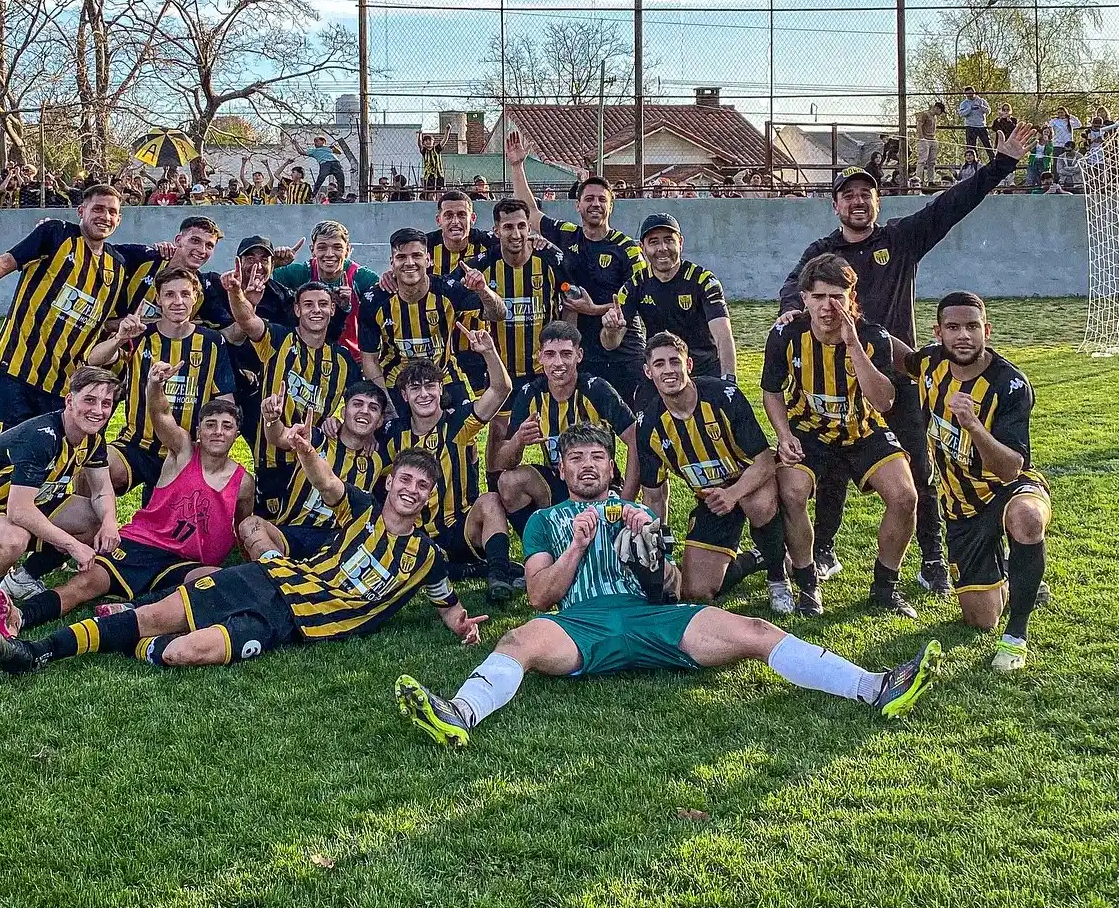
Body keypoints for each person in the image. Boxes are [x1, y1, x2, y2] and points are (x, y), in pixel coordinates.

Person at [393, 424, 943, 749]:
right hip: (580, 624)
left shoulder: (636, 510)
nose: (587, 467)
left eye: (598, 459)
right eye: (576, 459)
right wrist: (578, 546)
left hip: (652, 619)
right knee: (517, 641)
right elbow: (540, 597)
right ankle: (459, 714)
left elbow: (672, 589)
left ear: (611, 467)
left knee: (754, 628)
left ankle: (874, 687)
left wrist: (650, 550)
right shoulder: (545, 520)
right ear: (561, 469)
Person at [777, 122, 1036, 597]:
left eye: (866, 194)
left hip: (897, 376)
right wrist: (790, 310)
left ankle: (932, 559)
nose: (858, 201)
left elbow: (950, 206)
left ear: (876, 204)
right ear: (835, 205)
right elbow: (795, 287)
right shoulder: (822, 252)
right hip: (838, 381)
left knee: (919, 468)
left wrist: (1002, 164)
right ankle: (826, 550)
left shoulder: (901, 240)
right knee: (830, 464)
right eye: (848, 194)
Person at [0, 433, 489, 674]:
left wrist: (464, 625)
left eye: (422, 485)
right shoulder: (359, 510)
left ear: (429, 497)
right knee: (158, 616)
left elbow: (447, 605)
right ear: (390, 483)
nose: (411, 489)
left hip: (291, 624)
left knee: (182, 653)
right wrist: (306, 449)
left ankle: (134, 626)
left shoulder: (427, 558)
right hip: (267, 580)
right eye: (405, 479)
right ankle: (38, 651)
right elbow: (328, 483)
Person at [0, 361, 253, 635]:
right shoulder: (182, 452)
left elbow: (241, 527)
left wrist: (246, 558)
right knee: (83, 585)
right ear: (198, 431)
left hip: (186, 562)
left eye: (226, 426)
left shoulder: (243, 482)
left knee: (213, 581)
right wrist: (155, 384)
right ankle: (20, 616)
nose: (218, 431)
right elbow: (161, 414)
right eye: (211, 424)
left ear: (236, 435)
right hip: (141, 544)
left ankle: (131, 608)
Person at [903, 293, 1051, 672]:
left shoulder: (1010, 385)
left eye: (972, 327)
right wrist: (849, 333)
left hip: (1006, 489)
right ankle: (1018, 575)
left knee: (1028, 519)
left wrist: (973, 426)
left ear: (987, 331)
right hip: (960, 509)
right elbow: (893, 354)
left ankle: (1016, 637)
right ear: (938, 333)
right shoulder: (929, 363)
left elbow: (1011, 469)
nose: (963, 336)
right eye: (953, 328)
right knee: (980, 619)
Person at [764, 254, 917, 617]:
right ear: (804, 298)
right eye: (818, 297)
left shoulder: (873, 336)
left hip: (863, 430)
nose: (827, 306)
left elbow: (883, 401)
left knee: (905, 496)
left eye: (836, 296)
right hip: (809, 430)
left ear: (852, 297)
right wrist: (783, 434)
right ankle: (808, 586)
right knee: (792, 491)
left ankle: (885, 587)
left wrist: (853, 346)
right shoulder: (787, 333)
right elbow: (771, 390)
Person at [0, 366, 120, 633]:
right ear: (69, 401)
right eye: (89, 400)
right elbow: (19, 511)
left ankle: (24, 578)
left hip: (19, 506)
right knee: (13, 538)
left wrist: (109, 521)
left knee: (92, 517)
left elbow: (102, 490)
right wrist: (72, 545)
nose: (98, 410)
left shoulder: (93, 439)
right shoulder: (42, 436)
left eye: (106, 403)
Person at [0, 185, 133, 439]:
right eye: (98, 209)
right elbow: (2, 265)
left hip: (64, 384)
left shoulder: (118, 266)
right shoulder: (55, 234)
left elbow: (107, 322)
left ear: (119, 219)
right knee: (2, 459)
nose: (105, 217)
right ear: (81, 211)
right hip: (15, 371)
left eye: (112, 212)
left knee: (49, 462)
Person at [635, 332, 786, 605]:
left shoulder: (723, 397)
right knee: (695, 592)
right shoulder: (649, 425)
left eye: (674, 362)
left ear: (688, 365)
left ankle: (779, 578)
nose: (668, 370)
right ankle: (757, 557)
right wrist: (659, 548)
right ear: (648, 372)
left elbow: (764, 461)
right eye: (659, 364)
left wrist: (733, 494)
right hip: (714, 500)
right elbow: (655, 495)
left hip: (751, 482)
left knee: (758, 503)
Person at [506, 130, 647, 403]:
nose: (595, 204)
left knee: (634, 429)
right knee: (585, 428)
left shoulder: (627, 248)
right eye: (589, 199)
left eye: (601, 200)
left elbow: (640, 297)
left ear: (610, 207)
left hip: (624, 349)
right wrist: (517, 166)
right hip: (581, 349)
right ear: (578, 206)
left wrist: (593, 309)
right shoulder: (569, 234)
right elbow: (532, 213)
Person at [380, 333, 520, 602]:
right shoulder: (391, 435)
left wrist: (489, 352)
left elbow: (501, 390)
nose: (424, 394)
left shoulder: (458, 424)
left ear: (441, 390)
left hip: (460, 528)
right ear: (404, 395)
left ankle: (499, 576)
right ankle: (469, 570)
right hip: (415, 534)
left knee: (490, 500)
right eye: (415, 388)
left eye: (430, 386)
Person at [85, 266, 235, 498]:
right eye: (169, 294)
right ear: (158, 298)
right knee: (91, 474)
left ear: (195, 298)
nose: (178, 301)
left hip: (185, 451)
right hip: (137, 444)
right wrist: (119, 338)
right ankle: (93, 530)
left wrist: (212, 448)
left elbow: (226, 403)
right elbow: (94, 359)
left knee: (168, 524)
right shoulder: (140, 336)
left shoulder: (212, 342)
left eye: (185, 294)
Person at [222, 272, 358, 513]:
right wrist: (236, 292)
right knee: (265, 523)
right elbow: (248, 320)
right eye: (308, 304)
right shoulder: (278, 339)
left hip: (314, 459)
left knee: (304, 522)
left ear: (333, 310)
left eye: (323, 304)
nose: (316, 310)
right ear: (297, 310)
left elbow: (360, 400)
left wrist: (338, 418)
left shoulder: (343, 360)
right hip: (273, 458)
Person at [493, 320, 640, 531]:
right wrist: (518, 441)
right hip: (560, 482)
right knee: (509, 481)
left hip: (599, 485)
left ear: (579, 355)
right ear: (540, 356)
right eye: (551, 354)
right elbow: (503, 461)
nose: (558, 363)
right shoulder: (530, 394)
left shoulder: (597, 390)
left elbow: (635, 440)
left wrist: (626, 503)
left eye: (566, 354)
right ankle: (542, 544)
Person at [357, 227, 505, 414]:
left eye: (416, 256)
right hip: (395, 380)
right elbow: (369, 359)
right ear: (392, 263)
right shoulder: (374, 300)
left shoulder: (448, 290)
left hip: (444, 377)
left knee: (465, 437)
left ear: (428, 260)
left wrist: (484, 291)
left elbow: (498, 314)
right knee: (391, 438)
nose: (409, 263)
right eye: (401, 257)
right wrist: (385, 406)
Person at [238, 381, 387, 561]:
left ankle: (278, 575)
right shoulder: (315, 438)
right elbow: (278, 437)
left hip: (335, 541)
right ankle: (277, 571)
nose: (364, 411)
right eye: (357, 404)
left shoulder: (377, 462)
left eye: (373, 408)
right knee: (250, 525)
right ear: (343, 412)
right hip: (291, 533)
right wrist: (272, 420)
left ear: (379, 421)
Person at [474, 198, 569, 480]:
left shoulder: (551, 261)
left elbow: (570, 304)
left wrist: (568, 347)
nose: (515, 234)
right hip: (504, 370)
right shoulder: (484, 265)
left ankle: (562, 484)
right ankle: (494, 491)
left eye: (521, 226)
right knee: (500, 431)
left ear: (530, 228)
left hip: (545, 368)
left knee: (554, 428)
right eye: (508, 227)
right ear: (496, 230)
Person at [600, 212, 736, 402]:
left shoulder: (704, 281)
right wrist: (610, 329)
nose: (662, 248)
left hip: (704, 370)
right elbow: (610, 343)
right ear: (642, 248)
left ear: (680, 242)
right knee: (642, 416)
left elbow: (723, 336)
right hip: (662, 371)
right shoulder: (635, 285)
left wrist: (729, 380)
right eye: (654, 242)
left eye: (668, 240)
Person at [272, 220, 381, 362]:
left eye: (337, 247)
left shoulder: (361, 277)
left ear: (347, 250)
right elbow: (256, 285)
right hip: (306, 358)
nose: (329, 254)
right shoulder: (301, 272)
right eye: (322, 247)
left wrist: (391, 278)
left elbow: (389, 300)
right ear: (312, 250)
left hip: (353, 360)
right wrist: (273, 264)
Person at [427, 188, 500, 399]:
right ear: (439, 219)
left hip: (477, 341)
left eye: (462, 215)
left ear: (473, 218)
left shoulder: (490, 244)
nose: (455, 221)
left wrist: (539, 241)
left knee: (483, 406)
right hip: (437, 344)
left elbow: (520, 243)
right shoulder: (424, 246)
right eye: (448, 215)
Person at [292, 133, 347, 201]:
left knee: (341, 177)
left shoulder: (328, 148)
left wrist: (334, 147)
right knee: (321, 177)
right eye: (314, 142)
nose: (315, 143)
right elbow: (301, 152)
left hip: (336, 163)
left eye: (317, 141)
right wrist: (296, 144)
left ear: (323, 141)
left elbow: (339, 152)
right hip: (325, 164)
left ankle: (340, 195)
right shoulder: (314, 151)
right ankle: (313, 194)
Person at [913, 101, 945, 190]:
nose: (940, 113)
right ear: (936, 108)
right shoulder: (925, 114)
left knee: (932, 162)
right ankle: (918, 180)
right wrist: (921, 138)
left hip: (932, 139)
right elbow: (919, 125)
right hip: (925, 140)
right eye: (940, 111)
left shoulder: (934, 117)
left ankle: (931, 180)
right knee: (922, 161)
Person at [958, 86, 991, 160]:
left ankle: (993, 161)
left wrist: (981, 107)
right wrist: (969, 108)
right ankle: (973, 162)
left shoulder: (981, 101)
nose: (969, 95)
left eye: (970, 93)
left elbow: (988, 111)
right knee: (971, 146)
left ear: (974, 92)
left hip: (981, 126)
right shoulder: (964, 103)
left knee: (987, 144)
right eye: (967, 94)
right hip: (970, 126)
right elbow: (961, 114)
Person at [418, 131, 444, 199]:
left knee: (439, 193)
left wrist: (448, 130)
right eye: (426, 141)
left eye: (430, 140)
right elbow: (419, 144)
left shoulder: (437, 149)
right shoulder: (424, 151)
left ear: (433, 142)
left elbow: (444, 140)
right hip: (428, 175)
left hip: (438, 174)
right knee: (430, 194)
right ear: (424, 143)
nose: (428, 142)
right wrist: (420, 135)